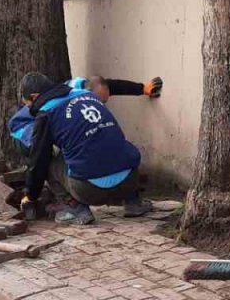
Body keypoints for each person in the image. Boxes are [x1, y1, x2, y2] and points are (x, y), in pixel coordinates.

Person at [17, 72, 150, 225]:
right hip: (130, 180)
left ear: (34, 97)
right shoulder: (89, 95)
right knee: (112, 144)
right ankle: (133, 202)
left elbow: (39, 160)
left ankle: (75, 208)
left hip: (89, 191)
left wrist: (30, 195)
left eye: (28, 104)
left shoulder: (46, 113)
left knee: (47, 159)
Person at [9, 74, 162, 151]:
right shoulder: (70, 95)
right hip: (23, 130)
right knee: (46, 152)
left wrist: (142, 88)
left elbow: (111, 86)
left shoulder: (89, 87)